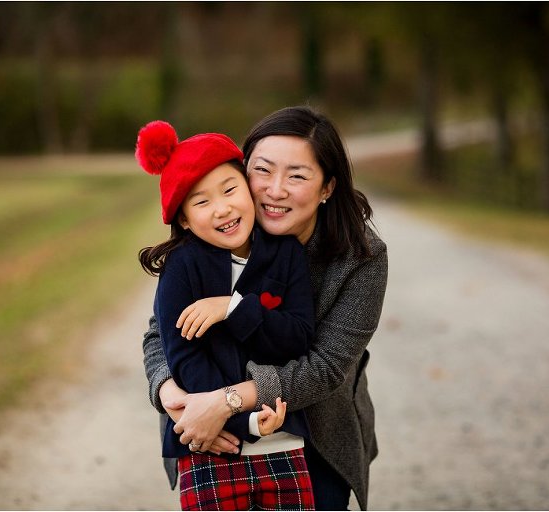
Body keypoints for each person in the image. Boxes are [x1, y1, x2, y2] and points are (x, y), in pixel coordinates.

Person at [142, 106, 388, 510]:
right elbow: (161, 332)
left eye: (297, 176)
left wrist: (228, 403)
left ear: (327, 187)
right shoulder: (213, 238)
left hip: (316, 430)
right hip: (207, 423)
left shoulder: (361, 258)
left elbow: (325, 367)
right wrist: (170, 393)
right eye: (262, 170)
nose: (275, 190)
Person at [136, 120, 316, 510]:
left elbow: (298, 337)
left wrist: (235, 309)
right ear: (183, 219)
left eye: (230, 189)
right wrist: (238, 422)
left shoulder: (285, 254)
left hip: (284, 444)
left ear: (249, 190)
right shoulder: (182, 268)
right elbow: (183, 359)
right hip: (208, 447)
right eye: (201, 202)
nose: (222, 208)